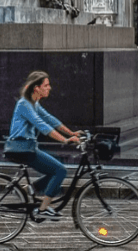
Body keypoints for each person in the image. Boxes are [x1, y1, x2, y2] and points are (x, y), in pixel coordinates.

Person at [5, 71, 81, 219]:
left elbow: (50, 119)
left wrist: (72, 133)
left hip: (28, 147)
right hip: (21, 148)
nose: (49, 88)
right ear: (36, 88)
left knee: (55, 170)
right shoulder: (24, 104)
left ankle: (30, 189)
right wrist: (64, 140)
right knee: (59, 171)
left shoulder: (34, 103)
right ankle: (42, 209)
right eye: (46, 85)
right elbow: (42, 125)